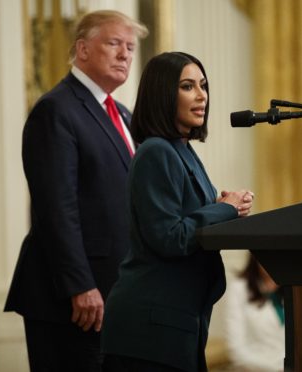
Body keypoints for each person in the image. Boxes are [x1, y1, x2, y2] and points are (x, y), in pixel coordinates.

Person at [4, 10, 148, 372]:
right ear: (82, 50)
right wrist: (79, 285)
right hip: (72, 300)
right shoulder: (57, 110)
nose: (125, 55)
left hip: (116, 292)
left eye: (130, 48)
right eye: (115, 43)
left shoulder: (125, 116)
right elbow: (57, 208)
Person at [101, 51, 254, 372]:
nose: (202, 95)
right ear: (162, 94)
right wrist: (223, 209)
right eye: (187, 86)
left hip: (176, 322)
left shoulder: (181, 149)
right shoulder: (156, 151)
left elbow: (187, 220)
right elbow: (169, 236)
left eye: (203, 85)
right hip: (150, 328)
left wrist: (223, 208)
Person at [225, 254, 285, 372]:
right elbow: (237, 350)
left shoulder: (294, 289)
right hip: (256, 368)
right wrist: (277, 369)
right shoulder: (239, 288)